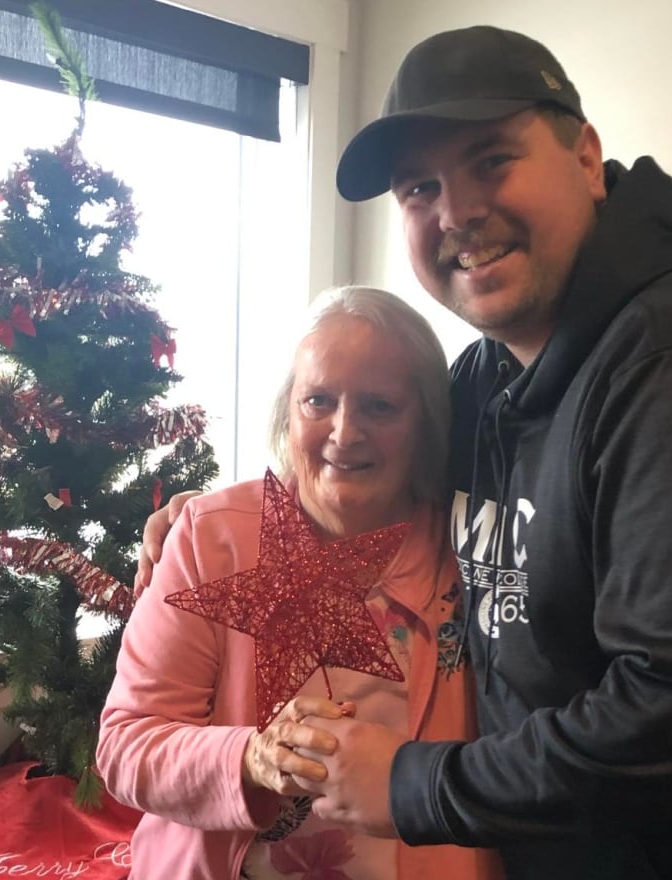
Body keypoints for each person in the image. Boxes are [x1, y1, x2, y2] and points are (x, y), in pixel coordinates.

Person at [137, 24, 672, 880]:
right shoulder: (487, 382)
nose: (456, 212)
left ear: (588, 158)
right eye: (421, 188)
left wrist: (415, 783)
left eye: (492, 161)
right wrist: (212, 517)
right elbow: (361, 453)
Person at [96, 286, 501, 880]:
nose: (344, 432)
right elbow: (127, 746)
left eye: (380, 407)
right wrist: (251, 758)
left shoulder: (475, 548)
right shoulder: (213, 540)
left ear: (427, 425)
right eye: (318, 401)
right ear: (288, 412)